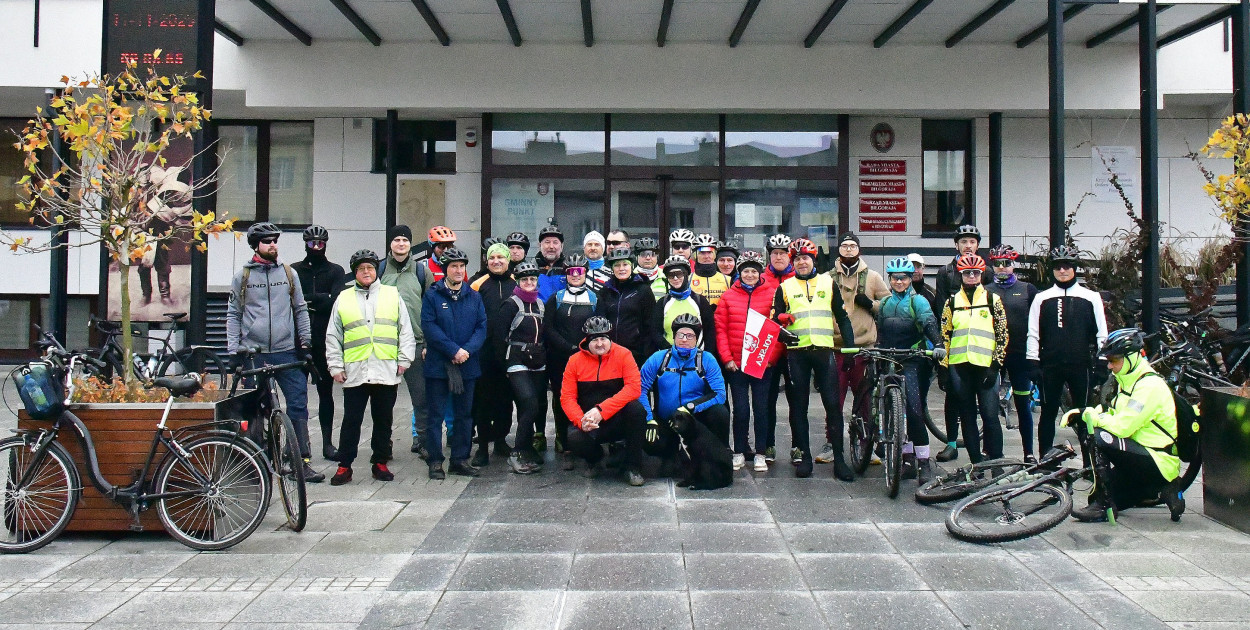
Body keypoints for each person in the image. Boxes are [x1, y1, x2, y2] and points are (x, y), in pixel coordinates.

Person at [227, 222, 323, 483]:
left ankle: (301, 461)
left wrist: (305, 345)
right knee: (255, 411)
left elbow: (300, 309)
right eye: (267, 241)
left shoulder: (289, 274)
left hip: (286, 352)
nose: (273, 245)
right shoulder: (243, 276)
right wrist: (234, 349)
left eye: (275, 241)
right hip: (254, 354)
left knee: (298, 405)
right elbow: (234, 314)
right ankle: (257, 463)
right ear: (255, 245)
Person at [1065, 329, 1184, 523]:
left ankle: (1105, 505)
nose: (1110, 366)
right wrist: (1087, 412)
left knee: (1097, 436)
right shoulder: (1127, 381)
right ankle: (1163, 489)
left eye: (1114, 360)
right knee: (1097, 498)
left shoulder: (1149, 386)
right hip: (1138, 455)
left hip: (1156, 459)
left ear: (1131, 358)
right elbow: (1115, 414)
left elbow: (1122, 428)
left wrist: (1092, 418)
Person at [325, 249, 417, 485]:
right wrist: (335, 365)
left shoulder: (391, 294)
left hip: (386, 369)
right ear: (355, 272)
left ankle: (380, 462)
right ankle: (344, 465)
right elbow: (333, 335)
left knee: (383, 420)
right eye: (361, 268)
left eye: (370, 268)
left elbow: (405, 329)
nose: (366, 272)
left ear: (376, 270)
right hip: (355, 370)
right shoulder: (344, 297)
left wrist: (404, 359)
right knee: (351, 420)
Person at [772, 238, 856, 480]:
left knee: (833, 406)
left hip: (824, 352)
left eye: (805, 258)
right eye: (796, 259)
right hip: (797, 353)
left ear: (813, 260)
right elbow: (775, 319)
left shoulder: (828, 283)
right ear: (792, 262)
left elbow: (842, 317)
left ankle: (839, 460)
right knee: (799, 408)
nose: (801, 262)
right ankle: (805, 457)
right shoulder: (785, 287)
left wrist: (849, 348)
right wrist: (782, 319)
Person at [1028, 244, 1108, 455]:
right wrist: (1032, 361)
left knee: (1084, 414)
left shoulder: (1091, 297)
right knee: (1048, 412)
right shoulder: (1041, 298)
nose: (1062, 271)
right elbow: (1033, 333)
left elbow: (1102, 333)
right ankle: (1045, 459)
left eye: (1067, 266)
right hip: (1050, 365)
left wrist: (1102, 362)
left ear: (1074, 268)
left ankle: (1090, 463)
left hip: (1081, 364)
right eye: (1057, 267)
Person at [822, 232, 889, 465]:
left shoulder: (873, 277)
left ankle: (866, 442)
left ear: (859, 249)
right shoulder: (826, 277)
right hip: (836, 347)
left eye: (852, 246)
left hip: (864, 348)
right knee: (834, 398)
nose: (848, 250)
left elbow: (890, 305)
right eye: (844, 246)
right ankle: (832, 442)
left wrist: (872, 304)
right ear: (838, 250)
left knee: (865, 398)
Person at [876, 257, 945, 484]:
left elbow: (929, 324)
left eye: (903, 278)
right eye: (895, 278)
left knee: (914, 410)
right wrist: (877, 350)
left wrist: (938, 344)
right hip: (890, 357)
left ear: (909, 279)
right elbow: (881, 330)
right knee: (895, 410)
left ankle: (923, 462)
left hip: (913, 359)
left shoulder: (919, 302)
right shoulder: (886, 303)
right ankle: (906, 459)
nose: (899, 282)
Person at [421, 247, 488, 479]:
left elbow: (481, 327)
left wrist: (466, 351)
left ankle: (460, 459)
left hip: (467, 364)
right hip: (439, 364)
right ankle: (435, 461)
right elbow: (429, 327)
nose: (458, 271)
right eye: (453, 266)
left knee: (464, 414)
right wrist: (453, 350)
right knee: (435, 415)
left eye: (461, 266)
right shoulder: (433, 295)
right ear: (445, 269)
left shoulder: (474, 296)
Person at [938, 253, 1009, 464]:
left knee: (989, 416)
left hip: (985, 366)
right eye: (967, 273)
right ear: (960, 275)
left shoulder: (991, 300)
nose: (971, 276)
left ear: (981, 275)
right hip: (960, 367)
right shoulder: (952, 302)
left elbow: (1002, 334)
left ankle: (996, 462)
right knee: (967, 416)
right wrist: (944, 368)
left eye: (975, 273)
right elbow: (945, 335)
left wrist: (996, 365)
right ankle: (976, 463)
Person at [638, 314, 730, 475]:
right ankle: (672, 453)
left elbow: (720, 394)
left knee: (720, 412)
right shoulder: (659, 358)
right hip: (665, 420)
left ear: (697, 339)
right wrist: (649, 418)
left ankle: (717, 456)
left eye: (690, 336)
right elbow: (639, 389)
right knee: (650, 441)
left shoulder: (706, 359)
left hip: (695, 422)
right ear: (674, 337)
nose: (685, 339)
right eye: (681, 335)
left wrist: (690, 407)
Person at [562, 316, 648, 485]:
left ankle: (632, 466)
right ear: (587, 341)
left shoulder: (624, 354)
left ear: (610, 339)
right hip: (589, 420)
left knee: (637, 410)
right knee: (574, 439)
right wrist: (581, 421)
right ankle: (595, 459)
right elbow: (567, 397)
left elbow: (633, 388)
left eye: (603, 339)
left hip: (617, 417)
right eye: (595, 340)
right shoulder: (574, 361)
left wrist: (602, 410)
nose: (600, 344)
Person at [714, 251, 779, 472]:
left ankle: (761, 452)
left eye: (753, 271)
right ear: (739, 273)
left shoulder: (772, 294)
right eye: (745, 271)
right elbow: (720, 330)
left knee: (761, 409)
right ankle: (739, 450)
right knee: (740, 410)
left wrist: (771, 358)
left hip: (762, 362)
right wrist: (727, 359)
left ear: (760, 272)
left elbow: (779, 329)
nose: (749, 275)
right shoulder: (728, 296)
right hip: (736, 364)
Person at [291, 224, 345, 461]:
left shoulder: (335, 271)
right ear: (305, 244)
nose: (316, 247)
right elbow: (294, 302)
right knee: (297, 395)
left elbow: (334, 302)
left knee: (326, 394)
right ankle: (298, 444)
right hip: (299, 341)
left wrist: (308, 300)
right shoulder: (293, 271)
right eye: (312, 243)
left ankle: (327, 444)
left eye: (320, 244)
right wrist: (320, 299)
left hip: (324, 340)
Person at [377, 224, 430, 461]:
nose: (401, 244)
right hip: (385, 345)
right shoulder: (378, 270)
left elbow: (430, 309)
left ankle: (424, 441)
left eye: (405, 240)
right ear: (390, 243)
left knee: (422, 398)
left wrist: (428, 342)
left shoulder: (421, 271)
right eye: (396, 239)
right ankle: (383, 443)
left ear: (410, 244)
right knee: (384, 400)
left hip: (416, 344)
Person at [985, 244, 1040, 461]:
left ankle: (1028, 452)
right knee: (989, 407)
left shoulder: (1028, 289)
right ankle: (990, 450)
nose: (1002, 268)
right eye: (998, 264)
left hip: (1019, 355)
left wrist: (1037, 355)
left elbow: (1037, 323)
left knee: (1023, 405)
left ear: (1013, 264)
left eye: (1007, 263)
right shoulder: (986, 290)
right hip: (993, 355)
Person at [543, 253, 597, 470]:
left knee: (586, 395)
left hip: (587, 357)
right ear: (566, 274)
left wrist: (584, 348)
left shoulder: (594, 298)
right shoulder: (555, 298)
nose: (576, 275)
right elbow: (548, 327)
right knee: (561, 397)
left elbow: (599, 325)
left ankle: (585, 438)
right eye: (571, 271)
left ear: (585, 273)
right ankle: (563, 438)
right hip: (560, 357)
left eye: (580, 271)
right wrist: (568, 347)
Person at [496, 261, 549, 474]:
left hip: (537, 361)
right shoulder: (510, 304)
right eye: (525, 279)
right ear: (518, 281)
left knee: (535, 406)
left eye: (532, 279)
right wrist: (504, 367)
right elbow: (499, 337)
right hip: (516, 359)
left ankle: (526, 448)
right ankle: (517, 452)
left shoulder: (540, 305)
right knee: (529, 402)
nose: (529, 283)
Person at [469, 241, 517, 466]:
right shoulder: (477, 284)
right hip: (483, 353)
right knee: (483, 401)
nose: (496, 262)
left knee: (505, 400)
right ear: (486, 261)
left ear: (508, 260)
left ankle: (500, 440)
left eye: (501, 257)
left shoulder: (516, 283)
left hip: (509, 352)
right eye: (492, 258)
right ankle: (482, 448)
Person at [759, 233, 796, 464]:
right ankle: (768, 444)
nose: (779, 257)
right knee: (767, 399)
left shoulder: (798, 277)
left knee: (796, 400)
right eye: (775, 253)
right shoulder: (761, 278)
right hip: (769, 348)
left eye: (783, 253)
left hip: (793, 348)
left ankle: (798, 446)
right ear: (769, 255)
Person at [596, 247, 662, 369]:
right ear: (612, 268)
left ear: (632, 266)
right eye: (617, 265)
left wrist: (646, 354)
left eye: (625, 264)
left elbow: (651, 325)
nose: (621, 268)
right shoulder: (605, 291)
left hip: (636, 354)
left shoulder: (643, 290)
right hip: (610, 354)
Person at [654, 255, 717, 352]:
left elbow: (710, 333)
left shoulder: (700, 301)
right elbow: (656, 333)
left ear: (686, 275)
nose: (675, 278)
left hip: (696, 358)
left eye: (679, 274)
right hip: (670, 357)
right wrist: (670, 351)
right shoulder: (663, 302)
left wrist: (706, 357)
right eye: (671, 275)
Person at [935, 224, 987, 308]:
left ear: (977, 246)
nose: (968, 246)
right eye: (964, 241)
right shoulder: (945, 272)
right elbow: (941, 304)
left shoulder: (986, 271)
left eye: (972, 242)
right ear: (956, 245)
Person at [690, 234, 731, 306]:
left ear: (715, 255)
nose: (706, 256)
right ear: (695, 256)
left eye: (710, 252)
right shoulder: (688, 279)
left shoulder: (728, 280)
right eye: (702, 253)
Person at [535, 224, 567, 301]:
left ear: (562, 246)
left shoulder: (568, 269)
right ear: (540, 245)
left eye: (555, 242)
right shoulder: (532, 268)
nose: (551, 246)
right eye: (547, 242)